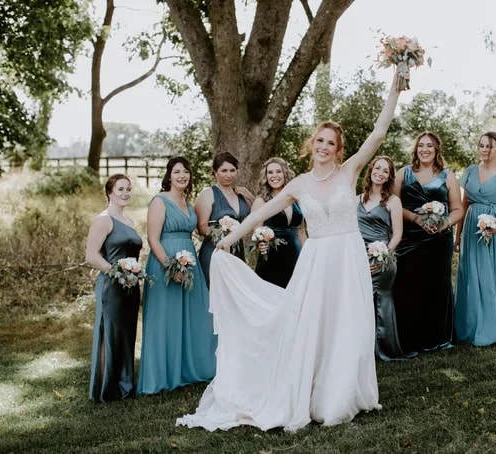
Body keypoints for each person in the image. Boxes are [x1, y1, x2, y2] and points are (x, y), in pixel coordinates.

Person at [176, 72, 405, 432]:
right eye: (320, 141)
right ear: (312, 144)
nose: (324, 147)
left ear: (339, 149)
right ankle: (313, 393)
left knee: (348, 327)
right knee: (314, 327)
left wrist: (394, 88)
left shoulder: (349, 172)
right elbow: (261, 213)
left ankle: (343, 395)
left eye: (331, 142)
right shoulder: (298, 183)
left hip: (347, 258)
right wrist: (229, 236)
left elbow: (378, 133)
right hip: (316, 262)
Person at [137, 157, 216, 395]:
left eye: (186, 172)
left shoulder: (187, 202)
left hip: (189, 262)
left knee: (195, 315)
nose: (182, 176)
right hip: (165, 265)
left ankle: (191, 368)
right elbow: (152, 239)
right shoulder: (160, 201)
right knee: (167, 319)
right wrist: (171, 266)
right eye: (177, 172)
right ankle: (163, 375)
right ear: (169, 175)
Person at [392, 132, 464, 353]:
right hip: (409, 237)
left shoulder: (447, 176)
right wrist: (415, 218)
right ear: (415, 149)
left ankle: (436, 337)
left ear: (436, 150)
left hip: (438, 241)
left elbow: (458, 209)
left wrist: (444, 225)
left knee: (436, 286)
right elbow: (391, 203)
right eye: (421, 145)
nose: (425, 149)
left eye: (429, 146)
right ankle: (409, 338)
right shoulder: (403, 173)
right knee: (407, 285)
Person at [454, 132, 496, 346]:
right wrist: (458, 235)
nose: (484, 149)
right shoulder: (471, 171)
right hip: (471, 230)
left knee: (489, 279)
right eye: (481, 145)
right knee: (470, 278)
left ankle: (489, 332)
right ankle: (467, 329)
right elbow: (464, 204)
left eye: (489, 146)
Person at [85, 174, 142, 402]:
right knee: (110, 334)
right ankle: (107, 389)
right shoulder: (103, 220)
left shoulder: (129, 222)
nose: (126, 192)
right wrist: (118, 273)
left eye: (128, 188)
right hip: (112, 286)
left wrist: (132, 274)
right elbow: (91, 255)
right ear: (110, 192)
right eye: (120, 189)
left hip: (131, 286)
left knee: (127, 334)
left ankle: (125, 385)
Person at [356, 156, 413, 361]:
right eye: (377, 168)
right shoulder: (357, 199)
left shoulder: (392, 201)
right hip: (358, 258)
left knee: (380, 299)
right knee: (358, 301)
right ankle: (361, 348)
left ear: (389, 176)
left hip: (382, 257)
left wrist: (383, 256)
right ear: (371, 170)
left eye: (385, 171)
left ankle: (384, 347)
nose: (380, 172)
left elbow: (397, 234)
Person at [194, 152, 251, 287]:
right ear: (215, 173)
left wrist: (249, 196)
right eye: (224, 170)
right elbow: (201, 228)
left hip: (237, 252)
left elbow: (256, 216)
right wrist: (224, 233)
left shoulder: (241, 194)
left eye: (232, 170)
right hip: (215, 252)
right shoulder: (208, 193)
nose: (229, 175)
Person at [252, 157, 304, 288]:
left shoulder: (296, 199)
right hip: (272, 258)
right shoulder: (261, 201)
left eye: (278, 171)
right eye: (270, 172)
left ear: (285, 173)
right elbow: (256, 232)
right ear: (266, 176)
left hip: (296, 257)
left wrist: (308, 255)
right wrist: (260, 244)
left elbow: (302, 231)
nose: (274, 176)